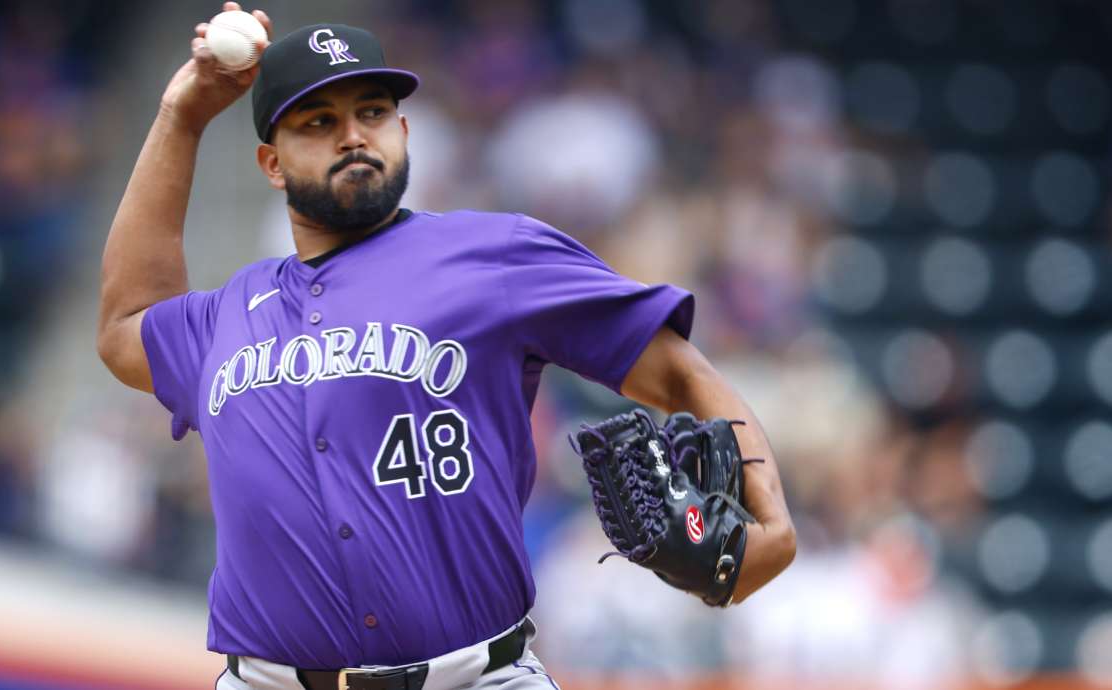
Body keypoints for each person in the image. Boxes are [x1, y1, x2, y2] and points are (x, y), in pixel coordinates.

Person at [96, 5, 796, 689]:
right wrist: (181, 117)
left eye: (372, 112)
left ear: (403, 128)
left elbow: (680, 375)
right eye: (319, 123)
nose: (353, 137)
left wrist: (769, 519)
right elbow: (128, 323)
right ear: (272, 164)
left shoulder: (493, 255)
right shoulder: (228, 316)